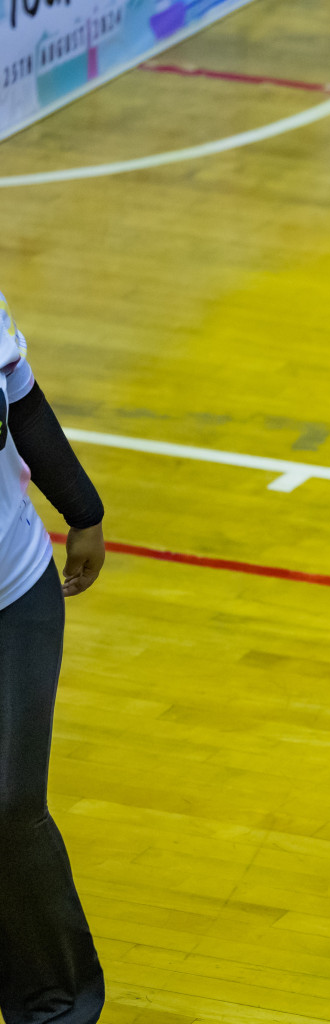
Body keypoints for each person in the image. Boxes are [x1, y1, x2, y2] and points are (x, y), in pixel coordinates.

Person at [0, 289, 107, 1023]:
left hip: (14, 593)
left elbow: (24, 401)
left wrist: (84, 509)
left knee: (10, 803)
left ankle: (59, 1002)